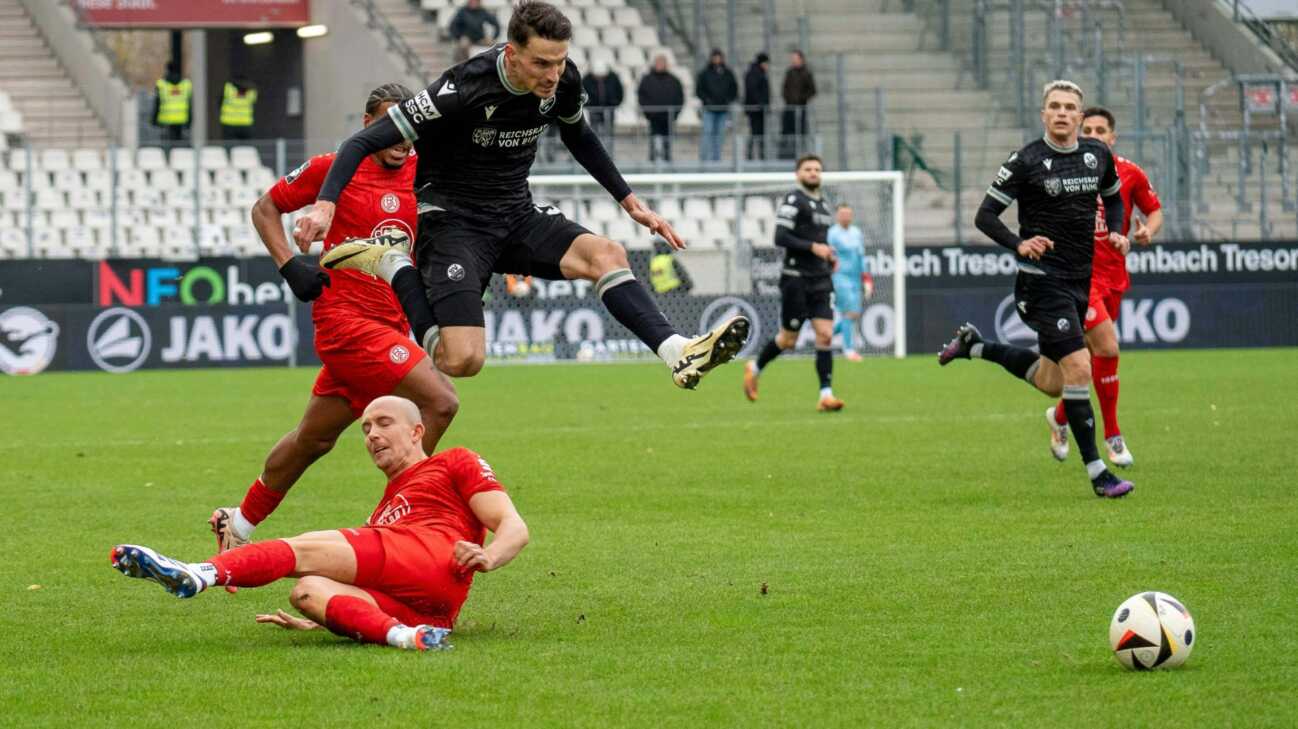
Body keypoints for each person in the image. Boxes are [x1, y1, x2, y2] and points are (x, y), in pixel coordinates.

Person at [294, 1, 748, 390]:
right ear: (512, 54)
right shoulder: (461, 88)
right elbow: (360, 143)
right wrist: (325, 203)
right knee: (462, 361)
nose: (554, 74)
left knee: (607, 254)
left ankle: (677, 352)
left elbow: (579, 135)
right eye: (542, 64)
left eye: (560, 61)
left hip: (516, 212)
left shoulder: (563, 81)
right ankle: (394, 265)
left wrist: (629, 201)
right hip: (453, 221)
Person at [209, 84, 460, 559]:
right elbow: (265, 208)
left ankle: (236, 522)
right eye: (390, 126)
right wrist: (288, 265)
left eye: (410, 128)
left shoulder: (425, 174)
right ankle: (393, 519)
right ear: (369, 125)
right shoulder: (335, 168)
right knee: (442, 402)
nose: (402, 138)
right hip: (346, 323)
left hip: (389, 328)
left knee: (313, 440)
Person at [112, 396, 528, 652]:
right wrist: (327, 618)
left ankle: (198, 574)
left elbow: (513, 525)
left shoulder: (452, 461)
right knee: (308, 591)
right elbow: (363, 583)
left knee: (306, 548)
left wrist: (489, 557)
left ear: (417, 430)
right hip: (432, 611)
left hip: (435, 557)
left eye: (384, 423)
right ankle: (407, 638)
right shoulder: (383, 512)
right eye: (365, 428)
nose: (372, 435)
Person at [937, 80, 1134, 499]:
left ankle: (975, 346)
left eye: (1069, 107)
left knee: (1052, 382)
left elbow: (1114, 199)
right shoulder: (1026, 160)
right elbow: (985, 215)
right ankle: (1099, 472)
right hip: (1041, 282)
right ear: (1043, 114)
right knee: (1080, 367)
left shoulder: (1096, 155)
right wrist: (1019, 243)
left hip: (1080, 281)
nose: (1062, 113)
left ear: (1081, 117)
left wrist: (1117, 233)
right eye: (1054, 106)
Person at [1044, 107, 1162, 468]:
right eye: (1088, 129)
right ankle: (1112, 435)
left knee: (1094, 359)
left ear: (1112, 137)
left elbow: (1154, 211)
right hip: (1078, 277)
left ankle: (1061, 417)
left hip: (1114, 278)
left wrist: (1146, 232)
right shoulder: (1064, 173)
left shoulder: (1130, 173)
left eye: (1101, 130)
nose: (1094, 135)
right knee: (1108, 348)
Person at [742, 155, 844, 412]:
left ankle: (826, 395)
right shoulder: (793, 200)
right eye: (808, 169)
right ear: (798, 174)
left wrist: (828, 256)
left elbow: (819, 242)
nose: (813, 173)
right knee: (789, 340)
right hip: (796, 279)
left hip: (821, 279)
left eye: (817, 169)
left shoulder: (823, 204)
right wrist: (813, 247)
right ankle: (754, 368)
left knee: (825, 334)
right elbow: (780, 237)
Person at [828, 204, 867, 361]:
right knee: (848, 312)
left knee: (853, 314)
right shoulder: (832, 233)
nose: (845, 216)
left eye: (848, 214)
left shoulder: (857, 232)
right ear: (837, 216)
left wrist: (866, 278)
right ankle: (848, 350)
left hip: (855, 278)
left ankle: (826, 334)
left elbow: (861, 256)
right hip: (839, 277)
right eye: (842, 214)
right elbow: (829, 255)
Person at [638, 54, 684, 162]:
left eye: (662, 63)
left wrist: (675, 114)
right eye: (658, 63)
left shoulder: (674, 80)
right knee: (654, 141)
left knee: (667, 142)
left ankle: (668, 160)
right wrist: (648, 113)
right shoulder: (647, 80)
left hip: (668, 117)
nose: (660, 65)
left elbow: (680, 98)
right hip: (653, 117)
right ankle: (653, 161)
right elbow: (642, 97)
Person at [695, 48, 738, 162]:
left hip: (723, 110)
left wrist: (728, 100)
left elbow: (734, 89)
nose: (717, 59)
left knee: (719, 136)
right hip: (709, 109)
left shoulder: (728, 73)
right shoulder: (704, 73)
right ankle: (704, 159)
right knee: (707, 133)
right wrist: (707, 100)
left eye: (719, 57)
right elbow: (699, 90)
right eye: (715, 57)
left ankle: (716, 159)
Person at [779, 50, 815, 158]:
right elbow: (784, 88)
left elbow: (812, 90)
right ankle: (786, 154)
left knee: (801, 131)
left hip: (801, 108)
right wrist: (788, 98)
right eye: (792, 59)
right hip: (789, 107)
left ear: (801, 59)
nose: (793, 61)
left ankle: (801, 153)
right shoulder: (789, 72)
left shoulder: (807, 73)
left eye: (795, 59)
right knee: (787, 131)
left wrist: (801, 99)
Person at [581, 59, 624, 139]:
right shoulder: (587, 79)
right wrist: (588, 104)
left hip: (609, 109)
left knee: (609, 132)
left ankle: (608, 149)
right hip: (593, 109)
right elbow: (582, 93)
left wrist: (615, 103)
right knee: (594, 131)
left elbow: (619, 92)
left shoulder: (613, 78)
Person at [153, 62, 191, 144]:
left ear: (167, 70)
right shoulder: (186, 84)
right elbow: (190, 104)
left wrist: (154, 119)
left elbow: (157, 103)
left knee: (167, 146)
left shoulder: (161, 84)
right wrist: (190, 121)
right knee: (180, 147)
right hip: (182, 120)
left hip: (165, 120)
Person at [744, 52, 771, 160]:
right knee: (755, 132)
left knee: (759, 133)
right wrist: (760, 103)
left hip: (759, 109)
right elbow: (752, 90)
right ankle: (752, 155)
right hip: (755, 109)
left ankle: (759, 155)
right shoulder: (754, 73)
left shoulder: (759, 73)